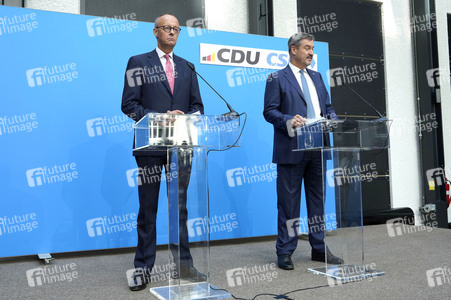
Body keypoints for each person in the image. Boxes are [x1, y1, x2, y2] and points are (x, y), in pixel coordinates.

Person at [121, 14, 204, 290]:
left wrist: (186, 116)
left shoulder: (187, 66)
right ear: (155, 32)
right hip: (150, 147)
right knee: (148, 209)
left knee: (179, 208)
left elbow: (197, 107)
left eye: (176, 29)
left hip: (181, 147)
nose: (172, 33)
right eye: (167, 28)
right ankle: (143, 269)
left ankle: (184, 265)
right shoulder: (138, 62)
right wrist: (159, 117)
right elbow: (129, 105)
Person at [263, 32, 343, 270]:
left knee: (318, 202)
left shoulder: (317, 77)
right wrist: (289, 119)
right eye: (307, 48)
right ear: (293, 50)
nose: (311, 53)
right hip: (292, 148)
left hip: (318, 146)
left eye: (312, 48)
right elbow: (269, 111)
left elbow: (327, 108)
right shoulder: (276, 78)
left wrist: (333, 119)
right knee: (289, 204)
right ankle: (286, 251)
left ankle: (319, 248)